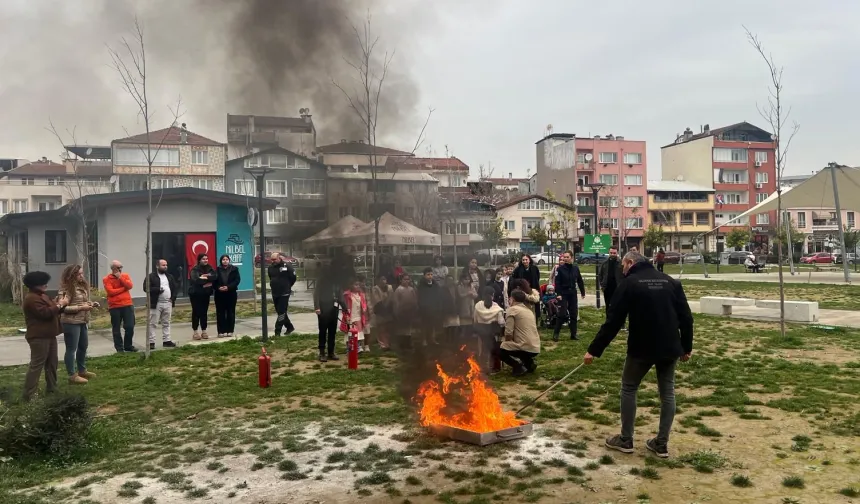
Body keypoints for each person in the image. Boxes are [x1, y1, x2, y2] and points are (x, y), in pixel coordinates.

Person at [583, 251, 694, 459]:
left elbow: (613, 321)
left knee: (629, 387)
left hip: (641, 347)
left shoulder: (629, 283)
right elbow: (686, 318)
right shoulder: (671, 282)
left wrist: (594, 350)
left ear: (630, 262)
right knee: (667, 392)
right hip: (670, 347)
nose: (622, 270)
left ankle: (626, 439)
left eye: (623, 266)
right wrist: (686, 347)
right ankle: (661, 443)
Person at [22, 271, 66, 401]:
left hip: (49, 335)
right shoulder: (31, 298)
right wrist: (60, 304)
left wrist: (59, 304)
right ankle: (30, 394)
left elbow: (54, 309)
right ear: (34, 285)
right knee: (37, 365)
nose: (46, 285)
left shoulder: (42, 296)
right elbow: (45, 313)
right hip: (39, 336)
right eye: (43, 283)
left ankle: (52, 388)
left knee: (52, 363)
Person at [57, 265, 96, 385]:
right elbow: (63, 308)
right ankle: (72, 375)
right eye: (79, 274)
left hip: (82, 320)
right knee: (71, 348)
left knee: (83, 346)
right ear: (72, 275)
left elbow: (81, 301)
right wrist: (81, 308)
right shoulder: (66, 289)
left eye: (82, 273)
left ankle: (82, 370)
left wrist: (90, 304)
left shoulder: (81, 286)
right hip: (71, 322)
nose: (81, 276)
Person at [501, 289, 541, 377]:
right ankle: (529, 364)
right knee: (520, 344)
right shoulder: (529, 310)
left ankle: (518, 366)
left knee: (499, 348)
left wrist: (506, 341)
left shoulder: (512, 310)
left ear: (512, 299)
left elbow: (508, 332)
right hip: (535, 347)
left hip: (524, 346)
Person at [103, 260, 136, 353]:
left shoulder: (125, 276)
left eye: (121, 267)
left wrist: (120, 278)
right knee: (116, 328)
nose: (120, 269)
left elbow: (130, 286)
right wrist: (124, 288)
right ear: (113, 268)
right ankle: (119, 348)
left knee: (130, 326)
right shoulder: (107, 279)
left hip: (127, 304)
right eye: (118, 267)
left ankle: (128, 345)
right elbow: (111, 292)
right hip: (115, 306)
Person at [145, 259, 178, 350]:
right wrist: (158, 289)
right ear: (157, 266)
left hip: (168, 303)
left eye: (166, 265)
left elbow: (175, 288)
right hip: (156, 303)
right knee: (153, 323)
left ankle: (167, 340)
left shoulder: (169, 276)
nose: (165, 267)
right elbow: (146, 288)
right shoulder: (151, 276)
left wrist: (172, 298)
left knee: (167, 322)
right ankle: (151, 342)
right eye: (163, 265)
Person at [553, 250, 585, 341]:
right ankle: (556, 333)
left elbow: (579, 280)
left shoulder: (575, 268)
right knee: (562, 314)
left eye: (567, 257)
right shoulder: (560, 269)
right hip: (563, 293)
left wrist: (582, 292)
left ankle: (573, 334)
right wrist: (558, 294)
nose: (566, 259)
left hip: (572, 293)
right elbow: (557, 283)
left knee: (573, 314)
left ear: (572, 258)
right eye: (564, 257)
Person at [473, 286, 505, 372]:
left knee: (483, 349)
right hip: (493, 331)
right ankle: (496, 367)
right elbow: (501, 322)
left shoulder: (478, 305)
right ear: (493, 295)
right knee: (494, 348)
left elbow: (475, 319)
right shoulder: (496, 306)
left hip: (481, 330)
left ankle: (483, 367)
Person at [313, 265, 340, 362]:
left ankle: (331, 352)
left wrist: (345, 307)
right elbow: (316, 294)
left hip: (334, 309)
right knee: (323, 331)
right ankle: (322, 352)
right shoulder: (321, 280)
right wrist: (317, 307)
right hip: (323, 308)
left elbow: (339, 294)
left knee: (332, 331)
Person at [269, 252, 297, 337]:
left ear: (279, 258)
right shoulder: (270, 267)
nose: (273, 261)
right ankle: (289, 327)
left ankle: (277, 331)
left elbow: (293, 277)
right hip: (275, 292)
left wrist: (288, 285)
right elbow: (271, 277)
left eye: (274, 259)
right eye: (272, 260)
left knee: (281, 312)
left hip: (284, 292)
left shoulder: (287, 266)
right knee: (280, 312)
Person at [212, 254, 240, 338]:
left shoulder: (234, 269)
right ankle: (221, 331)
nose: (225, 261)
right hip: (219, 294)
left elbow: (237, 280)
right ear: (221, 261)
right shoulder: (217, 270)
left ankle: (230, 330)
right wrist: (218, 288)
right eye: (223, 259)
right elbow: (214, 282)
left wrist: (228, 287)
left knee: (230, 312)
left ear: (229, 260)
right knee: (220, 312)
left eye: (226, 259)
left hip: (231, 293)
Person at [189, 253, 214, 340]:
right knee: (196, 312)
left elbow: (214, 277)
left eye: (206, 259)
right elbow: (196, 280)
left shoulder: (210, 268)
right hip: (195, 294)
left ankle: (204, 331)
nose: (205, 260)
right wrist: (206, 280)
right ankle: (195, 332)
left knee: (204, 313)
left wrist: (204, 277)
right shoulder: (195, 269)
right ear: (199, 260)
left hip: (205, 294)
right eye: (203, 259)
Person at [417, 267, 444, 345]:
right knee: (424, 325)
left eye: (431, 274)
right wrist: (423, 306)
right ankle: (424, 340)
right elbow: (420, 297)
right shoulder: (421, 285)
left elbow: (438, 296)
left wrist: (438, 306)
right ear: (424, 275)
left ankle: (432, 339)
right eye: (428, 274)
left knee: (433, 325)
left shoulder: (435, 285)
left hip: (434, 308)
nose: (430, 276)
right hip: (424, 309)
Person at [340, 279, 369, 352]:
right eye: (356, 285)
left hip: (358, 316)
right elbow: (344, 306)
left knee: (359, 332)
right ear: (351, 286)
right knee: (350, 332)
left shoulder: (361, 295)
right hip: (350, 316)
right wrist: (346, 316)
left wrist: (364, 309)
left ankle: (358, 346)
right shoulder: (347, 295)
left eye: (358, 285)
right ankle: (350, 347)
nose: (358, 286)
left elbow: (364, 304)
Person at [392, 274, 419, 352]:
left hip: (410, 311)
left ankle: (408, 343)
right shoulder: (399, 290)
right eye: (405, 279)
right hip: (401, 312)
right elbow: (396, 302)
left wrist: (415, 308)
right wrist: (396, 312)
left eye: (408, 279)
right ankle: (402, 345)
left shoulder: (411, 289)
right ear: (401, 280)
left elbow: (415, 299)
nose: (406, 281)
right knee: (402, 329)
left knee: (408, 329)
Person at [511, 254, 541, 321]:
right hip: (522, 291)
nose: (525, 261)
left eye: (526, 260)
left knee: (534, 307)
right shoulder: (518, 269)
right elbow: (514, 280)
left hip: (533, 289)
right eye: (523, 260)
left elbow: (537, 277)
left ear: (529, 260)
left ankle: (534, 320)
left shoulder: (534, 268)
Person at [370, 275, 394, 350]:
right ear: (378, 281)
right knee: (381, 328)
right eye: (381, 279)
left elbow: (392, 298)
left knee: (388, 327)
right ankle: (383, 344)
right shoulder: (375, 289)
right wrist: (383, 310)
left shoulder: (389, 288)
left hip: (389, 310)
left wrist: (389, 308)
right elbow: (376, 300)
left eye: (384, 279)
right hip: (380, 310)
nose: (383, 281)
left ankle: (388, 343)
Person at [599, 246, 624, 315]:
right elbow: (600, 275)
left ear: (617, 253)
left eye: (614, 253)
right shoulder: (604, 263)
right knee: (608, 306)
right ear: (609, 253)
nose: (612, 254)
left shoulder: (621, 263)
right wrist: (602, 285)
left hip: (618, 288)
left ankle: (618, 321)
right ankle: (608, 320)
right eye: (611, 253)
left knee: (618, 306)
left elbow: (625, 275)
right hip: (607, 289)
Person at [456, 272, 478, 338]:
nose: (467, 281)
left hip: (471, 303)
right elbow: (460, 295)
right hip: (463, 304)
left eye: (468, 279)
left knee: (472, 318)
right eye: (465, 279)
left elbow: (476, 295)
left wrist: (473, 294)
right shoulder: (459, 286)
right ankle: (462, 333)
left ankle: (471, 333)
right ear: (462, 279)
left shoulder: (471, 286)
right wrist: (467, 293)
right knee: (463, 319)